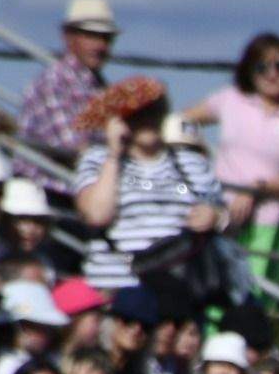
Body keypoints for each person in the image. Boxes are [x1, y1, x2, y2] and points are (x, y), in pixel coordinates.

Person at [68, 77, 221, 297]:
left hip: (178, 291)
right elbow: (96, 215)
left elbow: (226, 217)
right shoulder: (97, 159)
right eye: (138, 113)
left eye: (155, 111)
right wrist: (114, 155)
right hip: (117, 291)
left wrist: (215, 216)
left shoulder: (192, 163)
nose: (148, 120)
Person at [187, 32, 279, 289]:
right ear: (250, 70)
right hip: (219, 214)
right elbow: (180, 121)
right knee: (213, 288)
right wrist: (196, 148)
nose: (272, 74)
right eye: (262, 67)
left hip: (268, 221)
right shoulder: (230, 100)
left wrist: (257, 189)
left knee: (252, 294)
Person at [20, 0, 118, 159]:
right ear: (68, 37)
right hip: (51, 182)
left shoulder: (100, 87)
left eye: (106, 38)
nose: (100, 45)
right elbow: (73, 147)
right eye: (91, 35)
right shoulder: (54, 83)